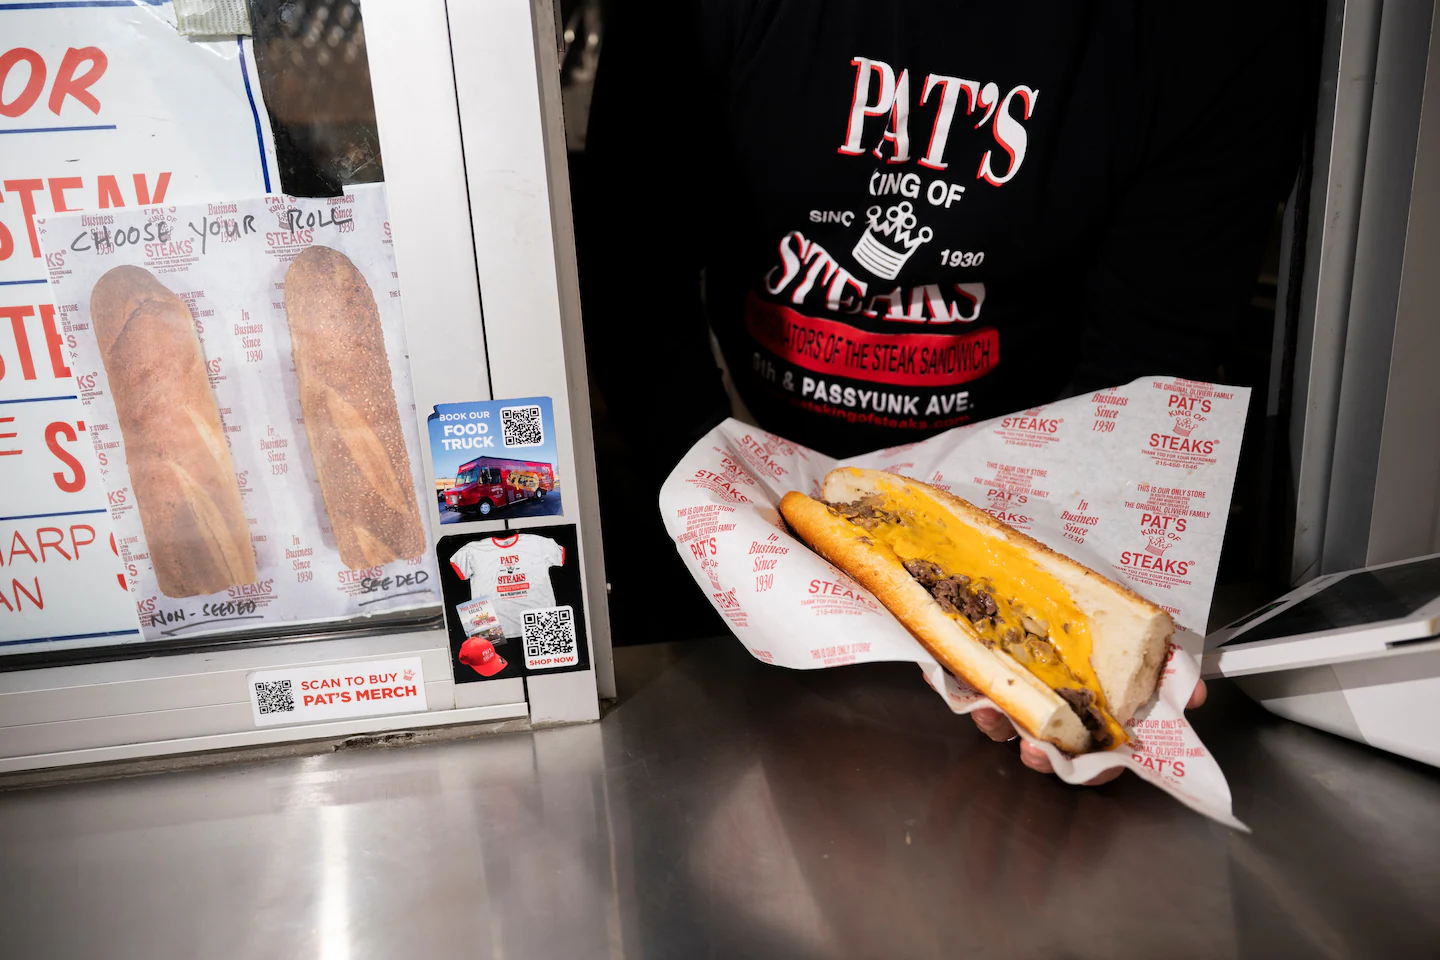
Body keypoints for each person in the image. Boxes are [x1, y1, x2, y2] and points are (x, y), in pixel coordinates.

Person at [575, 2, 1310, 782]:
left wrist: (1067, 586)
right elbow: (634, 276)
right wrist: (723, 511)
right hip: (736, 452)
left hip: (1036, 486)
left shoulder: (1215, 28)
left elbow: (1152, 354)